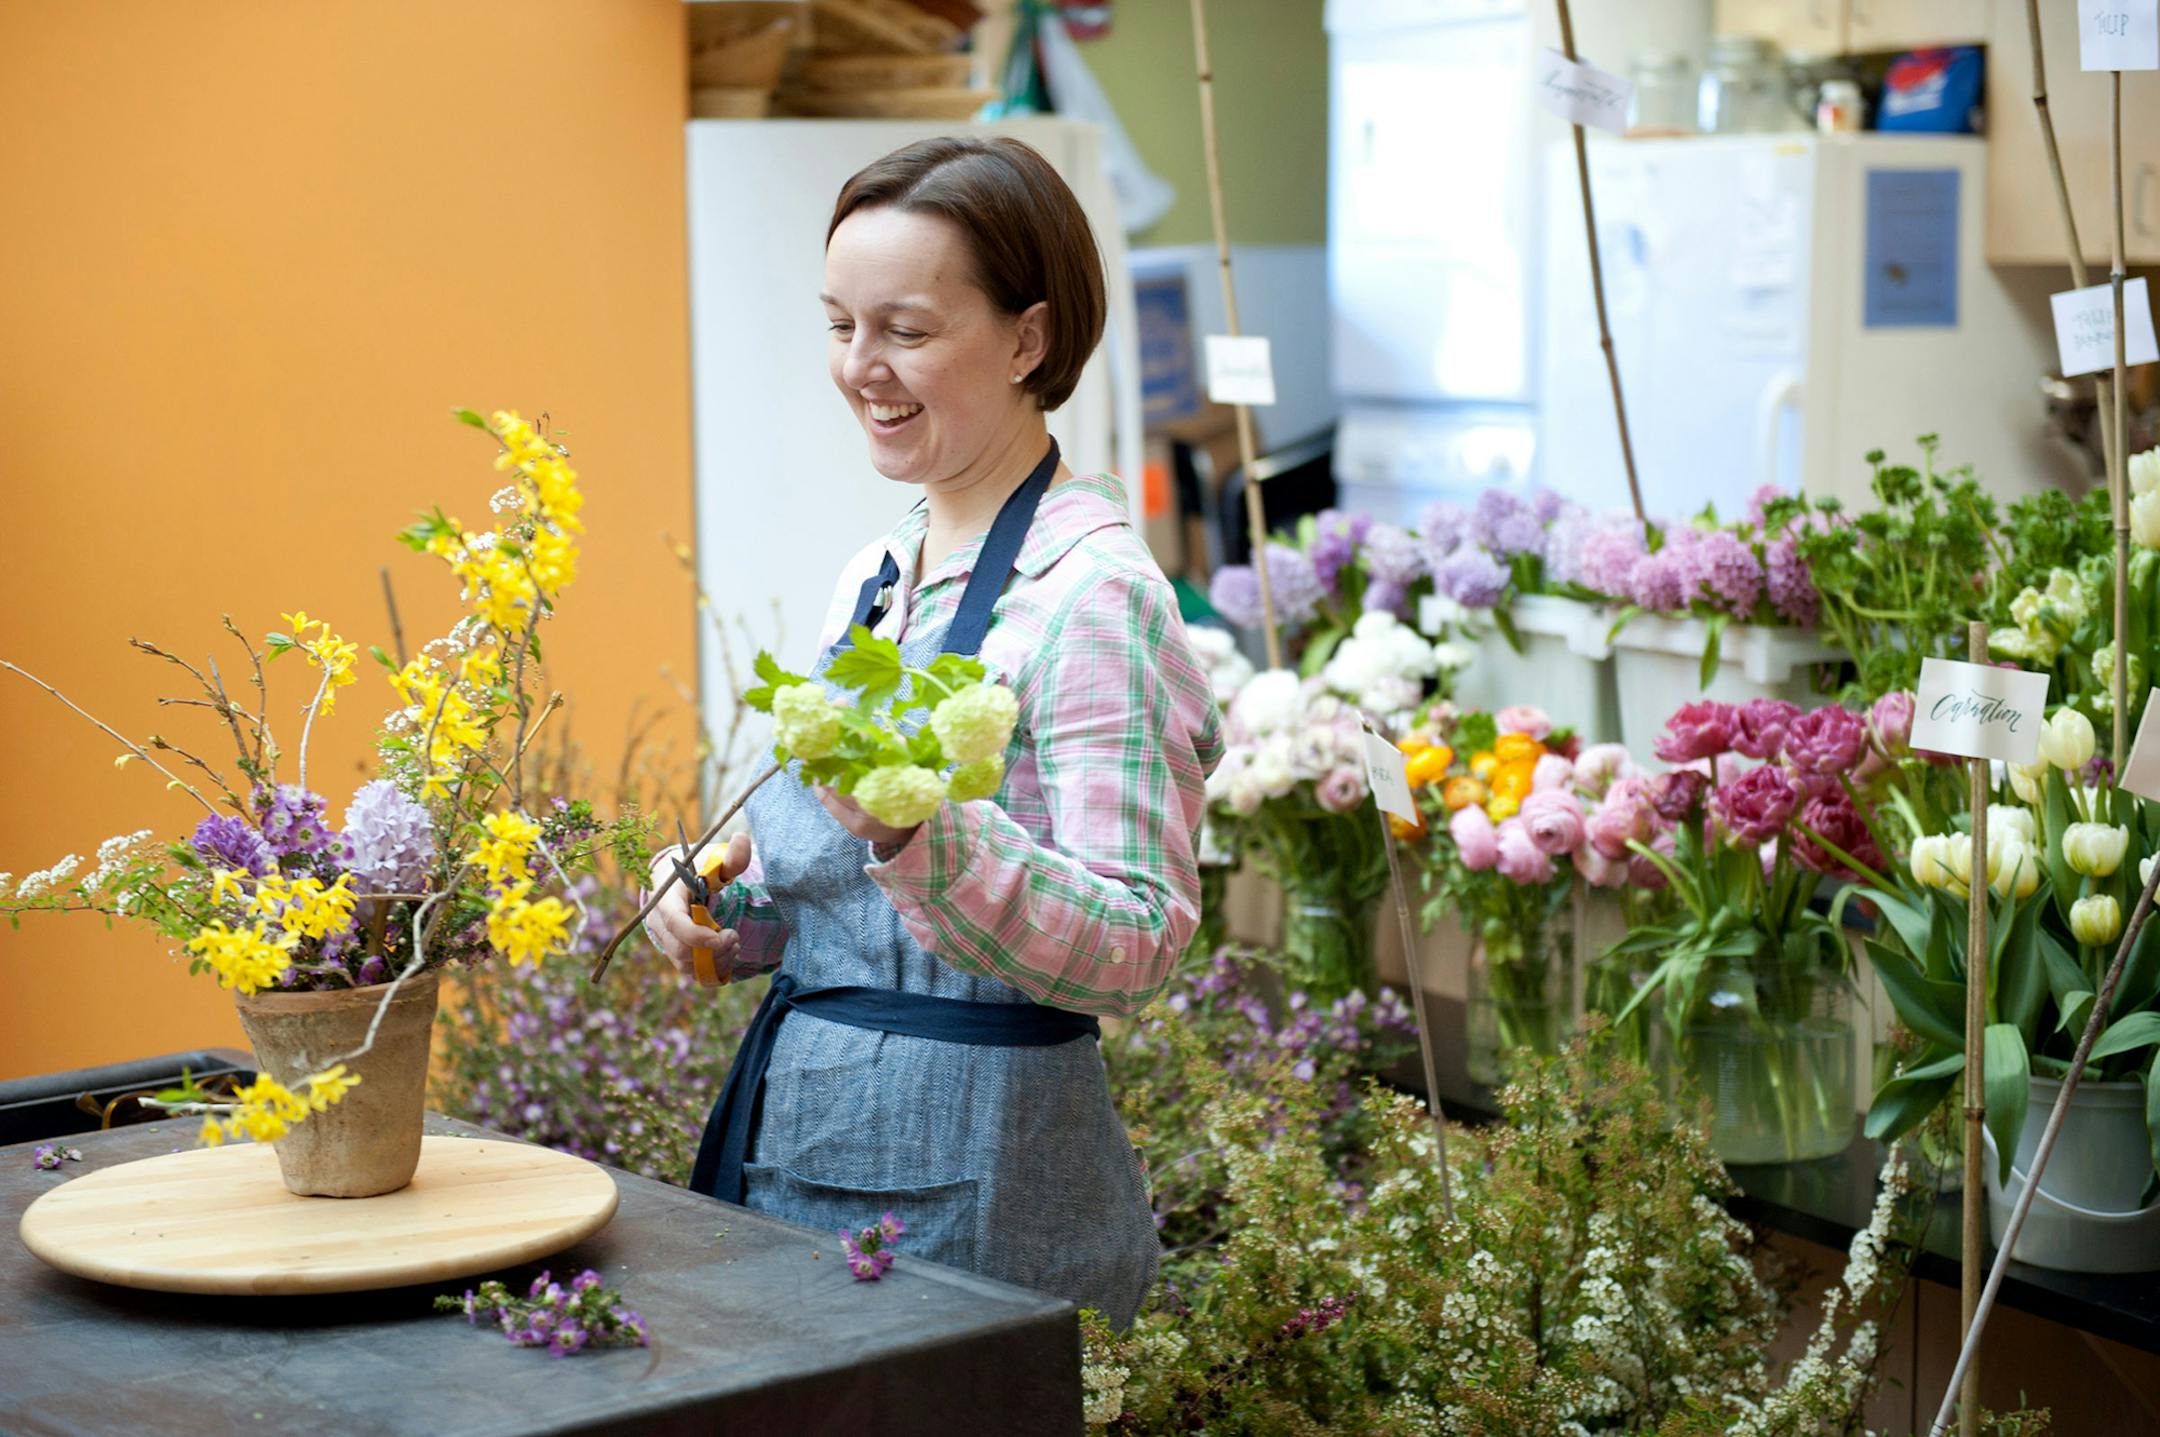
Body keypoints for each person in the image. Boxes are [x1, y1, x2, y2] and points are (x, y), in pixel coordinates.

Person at [642, 136, 1223, 1327]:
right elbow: (847, 918)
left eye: (904, 330)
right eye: (839, 324)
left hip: (980, 1190)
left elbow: (1141, 940)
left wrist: (922, 835)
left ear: (1027, 340)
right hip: (799, 1149)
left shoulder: (1092, 597)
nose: (861, 367)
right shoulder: (878, 574)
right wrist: (720, 910)